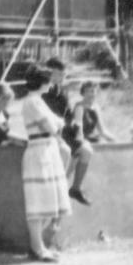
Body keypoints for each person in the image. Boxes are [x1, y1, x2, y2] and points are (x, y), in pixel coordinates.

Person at [20, 65, 72, 262]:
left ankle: (38, 246)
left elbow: (58, 123)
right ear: (42, 82)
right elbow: (52, 126)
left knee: (47, 201)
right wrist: (57, 124)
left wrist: (57, 124)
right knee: (38, 202)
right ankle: (37, 248)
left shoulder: (38, 101)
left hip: (48, 150)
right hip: (39, 151)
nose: (51, 83)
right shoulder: (33, 101)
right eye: (48, 80)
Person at [41, 58, 93, 205]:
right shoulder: (44, 92)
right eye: (60, 74)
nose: (63, 77)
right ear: (51, 73)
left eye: (64, 74)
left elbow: (68, 114)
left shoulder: (62, 91)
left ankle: (75, 188)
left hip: (63, 132)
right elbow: (49, 118)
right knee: (68, 152)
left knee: (87, 151)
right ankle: (57, 190)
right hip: (49, 134)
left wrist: (76, 126)